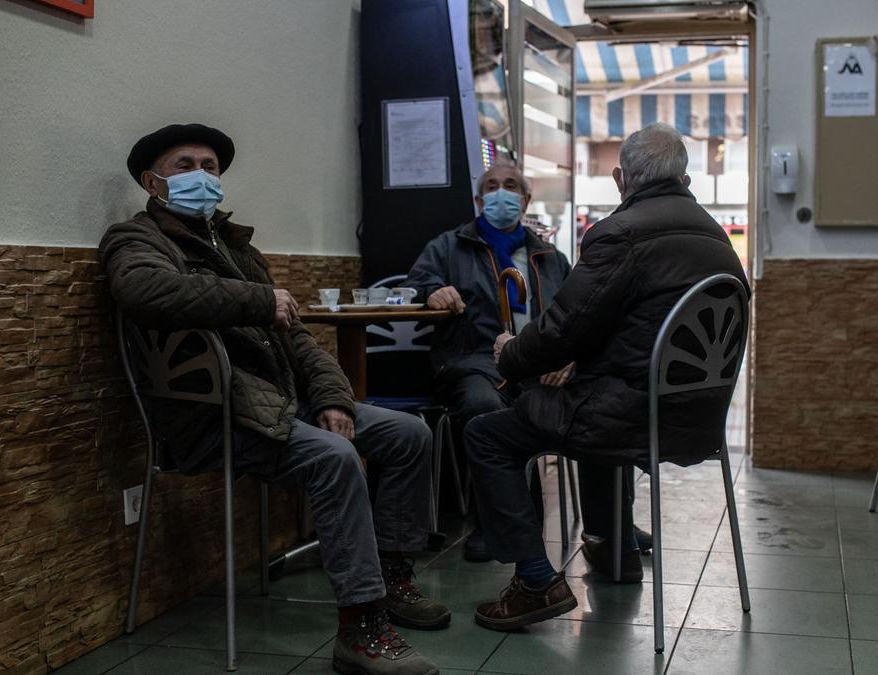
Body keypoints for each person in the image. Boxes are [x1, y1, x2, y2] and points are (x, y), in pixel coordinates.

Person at [100, 123, 444, 675]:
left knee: (408, 433)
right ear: (153, 181)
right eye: (184, 166)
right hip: (211, 417)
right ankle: (360, 626)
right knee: (334, 459)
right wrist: (258, 300)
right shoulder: (135, 240)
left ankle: (392, 577)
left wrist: (333, 397)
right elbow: (144, 290)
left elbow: (297, 337)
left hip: (276, 404)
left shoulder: (237, 248)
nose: (201, 177)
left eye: (210, 168)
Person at [463, 123, 748, 631]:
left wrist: (508, 355)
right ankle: (614, 553)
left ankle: (534, 580)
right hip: (696, 420)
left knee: (487, 433)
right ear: (683, 177)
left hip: (629, 419)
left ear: (620, 178)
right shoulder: (717, 238)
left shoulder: (620, 234)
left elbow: (559, 333)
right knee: (592, 403)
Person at [405, 162, 571, 562]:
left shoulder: (549, 256)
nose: (501, 193)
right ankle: (498, 524)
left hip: (535, 364)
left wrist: (568, 357)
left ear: (525, 200)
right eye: (492, 187)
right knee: (486, 408)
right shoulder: (448, 246)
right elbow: (414, 286)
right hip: (471, 362)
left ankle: (611, 528)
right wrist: (432, 291)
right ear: (479, 200)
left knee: (602, 395)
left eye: (510, 186)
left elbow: (577, 313)